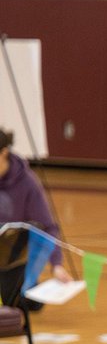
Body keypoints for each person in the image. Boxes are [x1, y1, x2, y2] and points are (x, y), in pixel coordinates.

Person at [0, 128, 70, 309]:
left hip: (9, 257)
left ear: (4, 153)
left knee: (18, 302)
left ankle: (29, 288)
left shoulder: (27, 184)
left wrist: (56, 264)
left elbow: (48, 226)